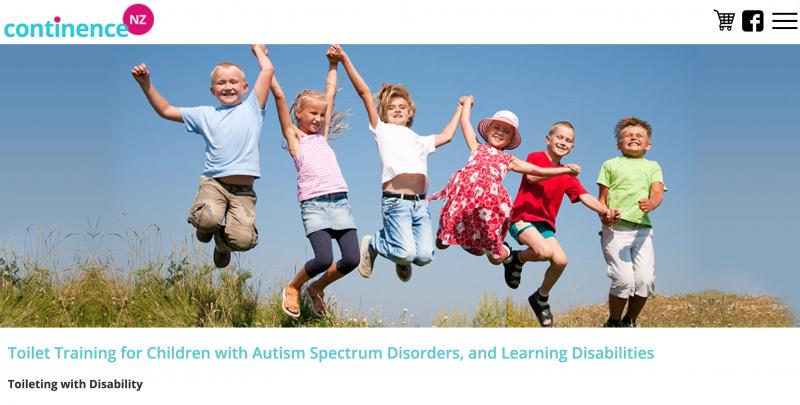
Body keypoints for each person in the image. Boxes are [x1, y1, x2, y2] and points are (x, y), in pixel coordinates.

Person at [131, 45, 274, 268]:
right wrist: (146, 85)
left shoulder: (253, 108)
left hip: (243, 193)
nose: (228, 87)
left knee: (244, 241)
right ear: (212, 90)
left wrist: (258, 51)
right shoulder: (205, 115)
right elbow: (167, 110)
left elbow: (267, 72)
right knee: (207, 219)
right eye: (221, 83)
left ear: (245, 87)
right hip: (214, 184)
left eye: (233, 82)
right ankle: (206, 226)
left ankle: (222, 245)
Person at [333, 45, 461, 282]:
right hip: (396, 203)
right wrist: (344, 59)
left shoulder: (419, 140)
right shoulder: (381, 130)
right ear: (384, 113)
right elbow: (364, 92)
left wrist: (461, 109)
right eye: (392, 108)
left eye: (402, 107)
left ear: (410, 113)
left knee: (423, 257)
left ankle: (402, 255)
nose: (397, 110)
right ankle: (377, 244)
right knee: (406, 252)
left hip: (419, 206)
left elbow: (447, 136)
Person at [431, 97, 579, 266]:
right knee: (441, 244)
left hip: (487, 208)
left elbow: (538, 171)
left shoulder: (509, 159)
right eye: (497, 127)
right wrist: (465, 105)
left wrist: (565, 169)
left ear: (510, 140)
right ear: (487, 131)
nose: (500, 132)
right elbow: (465, 121)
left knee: (496, 258)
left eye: (506, 131)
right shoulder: (476, 147)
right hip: (464, 201)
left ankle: (507, 251)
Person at [270, 46, 359, 319]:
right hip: (314, 205)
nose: (319, 119)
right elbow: (280, 96)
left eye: (322, 115)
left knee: (352, 259)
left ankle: (316, 289)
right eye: (313, 114)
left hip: (340, 203)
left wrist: (334, 65)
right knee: (323, 259)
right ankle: (294, 286)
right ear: (299, 112)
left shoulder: (322, 137)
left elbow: (329, 94)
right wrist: (266, 65)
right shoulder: (295, 139)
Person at [503, 121, 619, 327]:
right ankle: (515, 258)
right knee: (544, 252)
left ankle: (540, 297)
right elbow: (531, 176)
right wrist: (564, 170)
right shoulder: (537, 158)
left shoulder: (566, 174)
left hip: (544, 226)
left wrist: (605, 210)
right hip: (522, 218)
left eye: (568, 140)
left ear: (572, 147)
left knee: (560, 261)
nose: (563, 142)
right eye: (560, 137)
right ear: (548, 139)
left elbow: (584, 196)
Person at [597, 117, 666, 327]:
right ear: (619, 144)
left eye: (640, 135)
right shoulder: (610, 164)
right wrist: (605, 215)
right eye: (628, 135)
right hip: (616, 230)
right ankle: (613, 322)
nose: (634, 137)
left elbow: (657, 191)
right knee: (624, 280)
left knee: (645, 280)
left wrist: (652, 203)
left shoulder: (653, 166)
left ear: (648, 144)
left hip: (642, 231)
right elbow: (602, 199)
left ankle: (630, 321)